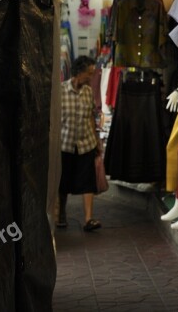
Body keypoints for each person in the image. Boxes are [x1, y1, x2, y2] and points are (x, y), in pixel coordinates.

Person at [58, 55, 102, 232]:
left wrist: (97, 141)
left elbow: (91, 116)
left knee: (87, 181)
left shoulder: (88, 92)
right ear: (78, 72)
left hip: (86, 143)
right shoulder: (60, 91)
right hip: (65, 144)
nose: (91, 78)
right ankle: (61, 214)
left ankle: (88, 219)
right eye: (89, 74)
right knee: (63, 182)